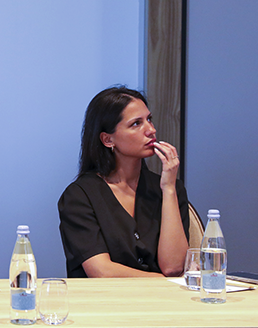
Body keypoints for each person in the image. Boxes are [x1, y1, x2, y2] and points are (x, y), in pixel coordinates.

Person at [58, 86, 189, 278]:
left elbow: (173, 267)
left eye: (149, 119)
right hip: (106, 297)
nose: (151, 130)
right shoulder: (79, 196)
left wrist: (169, 189)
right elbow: (101, 271)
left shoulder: (169, 188)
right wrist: (165, 282)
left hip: (162, 297)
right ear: (108, 139)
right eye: (136, 124)